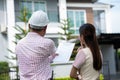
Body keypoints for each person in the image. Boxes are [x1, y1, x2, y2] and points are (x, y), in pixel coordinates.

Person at [15, 10, 58, 80]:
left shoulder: (19, 44)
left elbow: (37, 60)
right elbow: (54, 55)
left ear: (29, 26)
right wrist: (54, 56)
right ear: (45, 27)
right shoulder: (48, 43)